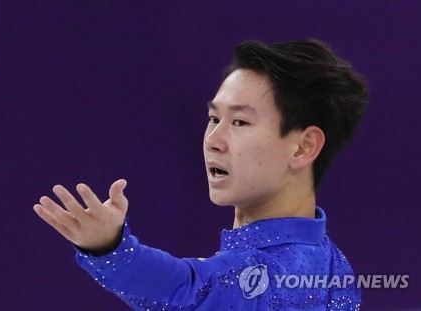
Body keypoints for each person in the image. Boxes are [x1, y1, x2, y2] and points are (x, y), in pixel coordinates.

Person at [33, 38, 368, 310]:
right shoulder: (335, 267)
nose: (213, 140)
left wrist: (112, 249)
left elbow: (187, 289)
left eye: (239, 122)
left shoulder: (262, 275)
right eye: (213, 119)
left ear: (302, 147)